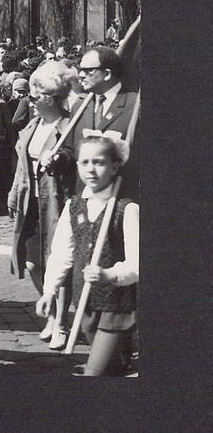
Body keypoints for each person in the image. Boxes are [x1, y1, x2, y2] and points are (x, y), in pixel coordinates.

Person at [36, 132, 138, 375]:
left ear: (114, 167)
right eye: (84, 162)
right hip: (86, 305)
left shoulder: (126, 208)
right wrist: (49, 290)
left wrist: (109, 274)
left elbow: (137, 262)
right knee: (113, 370)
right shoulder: (74, 206)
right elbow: (62, 253)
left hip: (117, 305)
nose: (90, 169)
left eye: (99, 162)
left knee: (94, 373)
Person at [8, 60, 77, 350]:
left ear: (50, 98)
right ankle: (49, 309)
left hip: (58, 204)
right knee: (31, 261)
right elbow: (22, 166)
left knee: (56, 263)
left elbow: (77, 160)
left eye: (34, 97)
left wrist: (61, 159)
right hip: (30, 203)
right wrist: (13, 195)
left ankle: (60, 322)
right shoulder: (33, 125)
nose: (30, 102)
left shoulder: (69, 126)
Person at [71, 46, 139, 200]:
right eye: (80, 69)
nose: (81, 75)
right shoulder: (79, 106)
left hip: (123, 199)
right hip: (85, 200)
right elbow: (71, 149)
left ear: (107, 74)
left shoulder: (135, 105)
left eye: (89, 70)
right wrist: (59, 158)